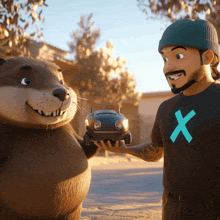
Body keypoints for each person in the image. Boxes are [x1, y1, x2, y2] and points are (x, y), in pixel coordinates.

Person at [94, 19, 220, 220]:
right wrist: (123, 150)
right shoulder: (166, 108)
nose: (168, 68)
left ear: (207, 57)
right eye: (164, 59)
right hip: (172, 208)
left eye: (178, 56)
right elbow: (155, 152)